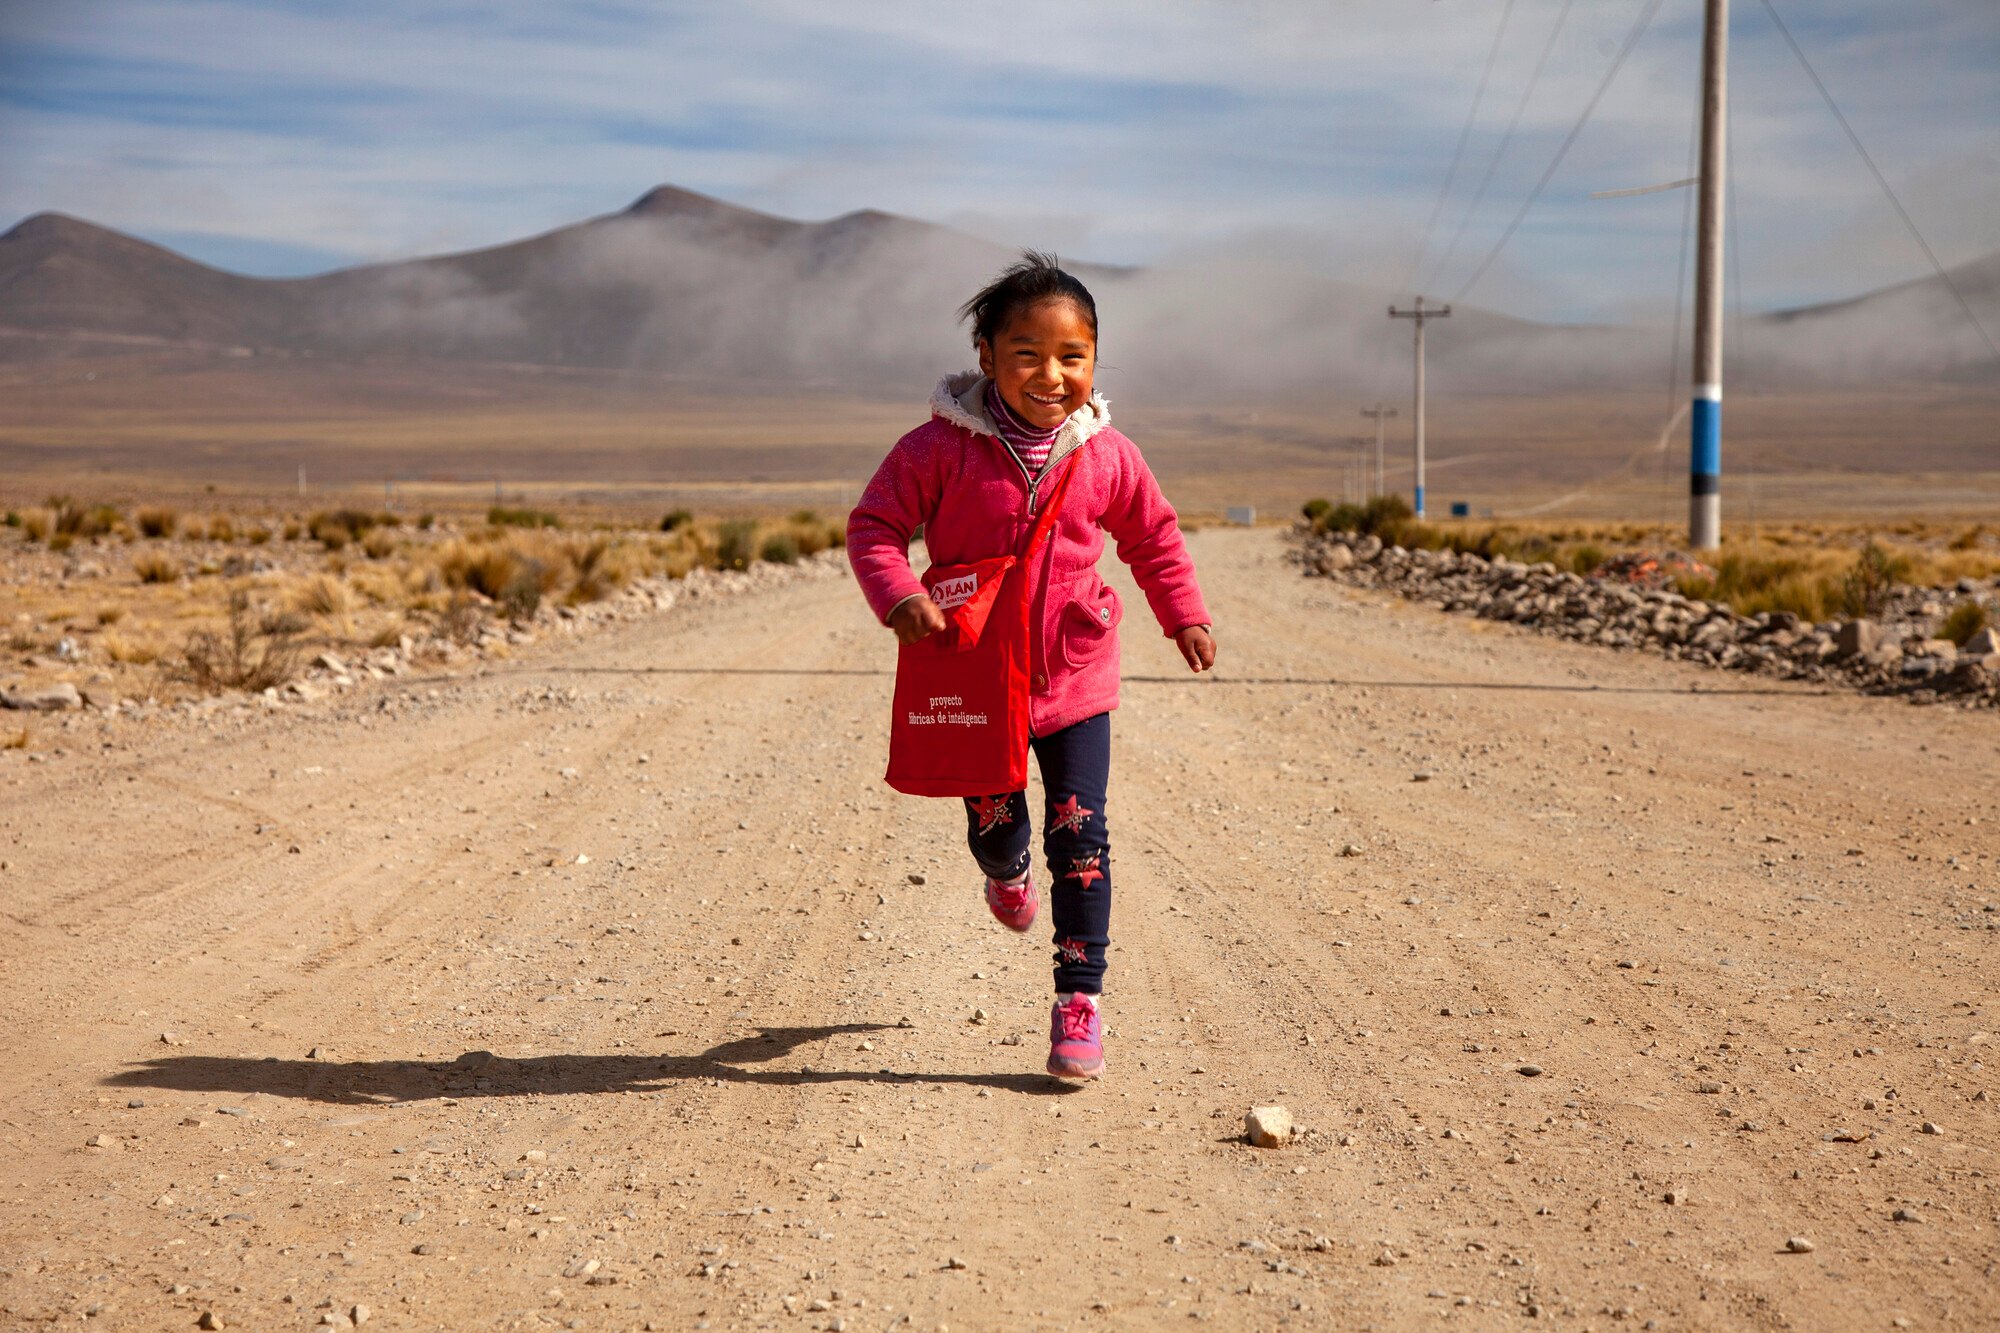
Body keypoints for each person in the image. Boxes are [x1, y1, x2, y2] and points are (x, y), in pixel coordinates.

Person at [847, 252, 1215, 1079]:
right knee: (1000, 825)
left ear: (1093, 359)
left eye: (1072, 355)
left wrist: (1182, 611)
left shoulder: (1108, 453)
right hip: (975, 675)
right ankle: (1001, 863)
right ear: (986, 356)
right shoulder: (935, 450)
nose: (1051, 374)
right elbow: (874, 525)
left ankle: (1078, 1002)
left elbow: (1151, 535)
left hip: (1075, 674)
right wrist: (898, 593)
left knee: (1081, 831)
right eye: (1027, 354)